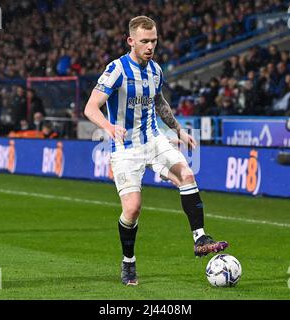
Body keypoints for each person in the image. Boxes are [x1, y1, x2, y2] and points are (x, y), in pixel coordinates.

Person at [83, 16, 228, 286]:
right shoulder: (116, 69)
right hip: (126, 148)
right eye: (145, 41)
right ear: (131, 41)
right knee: (133, 208)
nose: (150, 46)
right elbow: (91, 108)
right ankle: (128, 261)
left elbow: (159, 102)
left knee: (186, 174)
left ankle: (200, 238)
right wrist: (109, 126)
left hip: (154, 139)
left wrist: (177, 130)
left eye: (154, 41)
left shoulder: (156, 71)